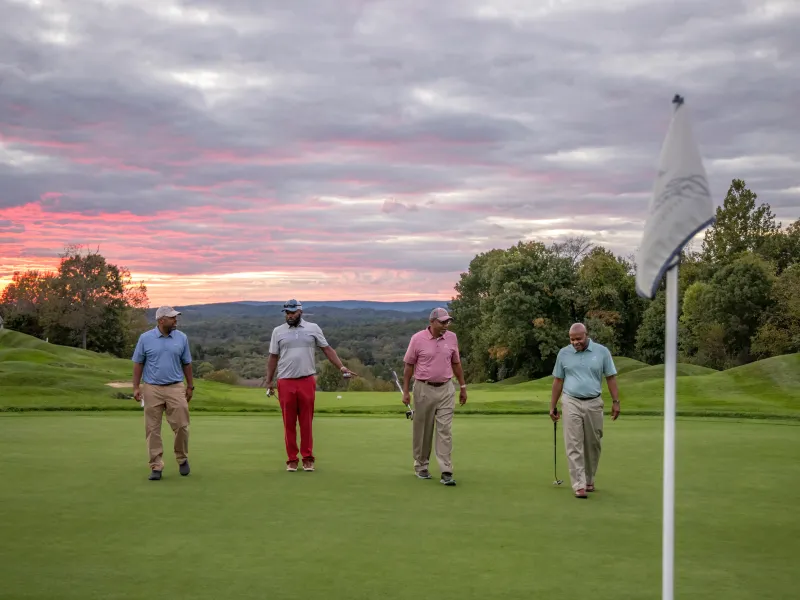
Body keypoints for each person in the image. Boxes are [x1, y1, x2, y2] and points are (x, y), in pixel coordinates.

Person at [265, 299, 356, 472]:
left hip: (306, 380)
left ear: (300, 312)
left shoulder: (313, 328)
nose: (289, 316)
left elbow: (327, 349)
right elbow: (273, 357)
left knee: (306, 422)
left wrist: (342, 367)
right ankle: (292, 459)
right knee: (289, 423)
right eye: (287, 313)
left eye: (292, 313)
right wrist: (269, 381)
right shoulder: (278, 332)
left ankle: (308, 458)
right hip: (285, 381)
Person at [549, 323, 620, 499]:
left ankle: (589, 479)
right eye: (572, 339)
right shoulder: (563, 353)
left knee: (593, 443)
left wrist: (616, 402)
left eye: (578, 339)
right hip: (570, 401)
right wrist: (552, 406)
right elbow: (558, 381)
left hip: (594, 402)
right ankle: (578, 484)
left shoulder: (601, 352)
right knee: (574, 444)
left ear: (586, 335)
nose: (575, 342)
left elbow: (610, 377)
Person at [402, 307, 467, 486]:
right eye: (443, 321)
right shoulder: (417, 339)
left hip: (446, 388)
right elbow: (408, 367)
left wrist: (462, 386)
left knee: (445, 430)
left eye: (448, 321)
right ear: (432, 322)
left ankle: (446, 470)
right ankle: (421, 465)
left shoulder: (452, 338)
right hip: (423, 388)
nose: (446, 325)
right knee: (423, 429)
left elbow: (456, 363)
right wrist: (406, 391)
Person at [132, 305, 194, 481]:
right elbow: (138, 363)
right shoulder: (145, 339)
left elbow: (187, 363)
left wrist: (190, 386)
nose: (176, 320)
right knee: (152, 429)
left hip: (175, 387)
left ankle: (182, 458)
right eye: (172, 318)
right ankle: (156, 466)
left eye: (176, 317)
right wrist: (136, 387)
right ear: (161, 320)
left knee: (182, 426)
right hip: (152, 388)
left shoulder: (182, 338)